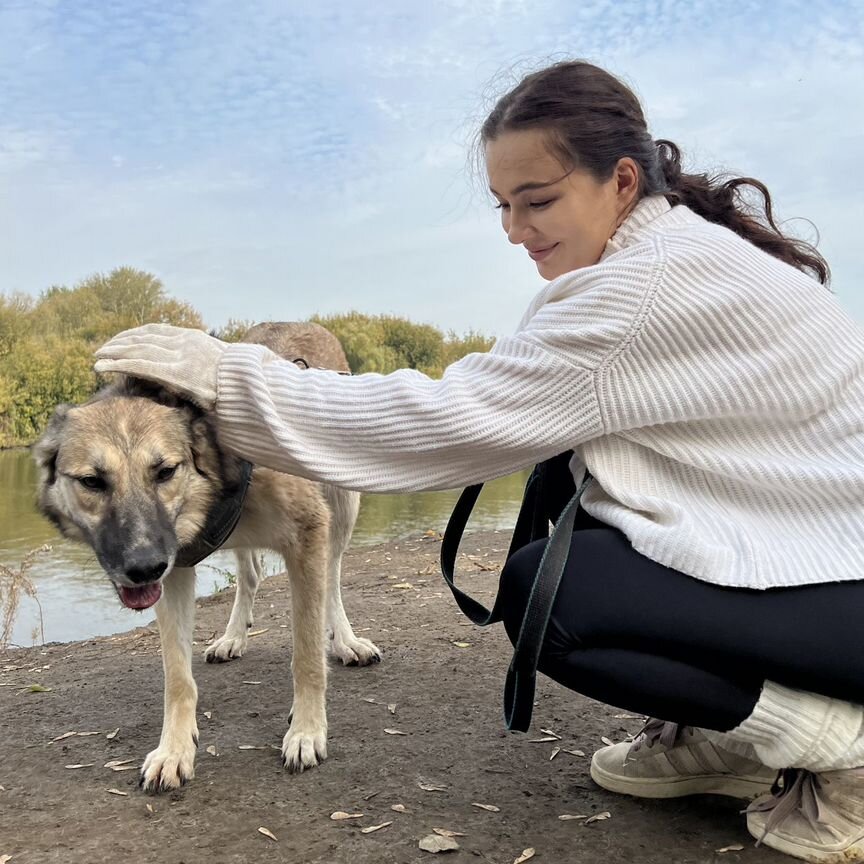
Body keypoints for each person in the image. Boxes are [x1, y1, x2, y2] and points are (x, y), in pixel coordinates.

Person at [94, 60, 864, 862]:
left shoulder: (643, 288)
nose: (513, 228)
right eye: (504, 205)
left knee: (556, 599)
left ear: (623, 182)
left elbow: (441, 423)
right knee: (559, 493)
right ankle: (734, 742)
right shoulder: (669, 258)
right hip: (833, 569)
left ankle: (845, 748)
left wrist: (228, 375)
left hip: (845, 586)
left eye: (537, 201)